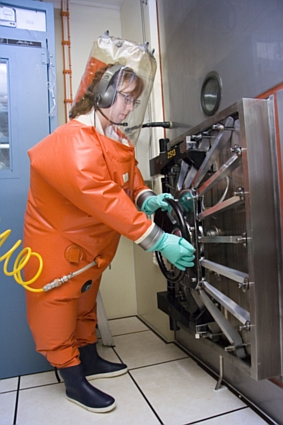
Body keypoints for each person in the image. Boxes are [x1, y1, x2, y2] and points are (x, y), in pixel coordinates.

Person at [23, 63, 195, 413]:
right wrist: (160, 239)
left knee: (85, 303)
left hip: (89, 249)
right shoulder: (72, 142)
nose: (130, 107)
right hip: (57, 249)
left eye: (134, 100)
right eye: (125, 98)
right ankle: (72, 380)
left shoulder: (115, 138)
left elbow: (130, 182)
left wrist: (148, 198)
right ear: (101, 94)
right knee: (56, 310)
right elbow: (106, 198)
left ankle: (89, 359)